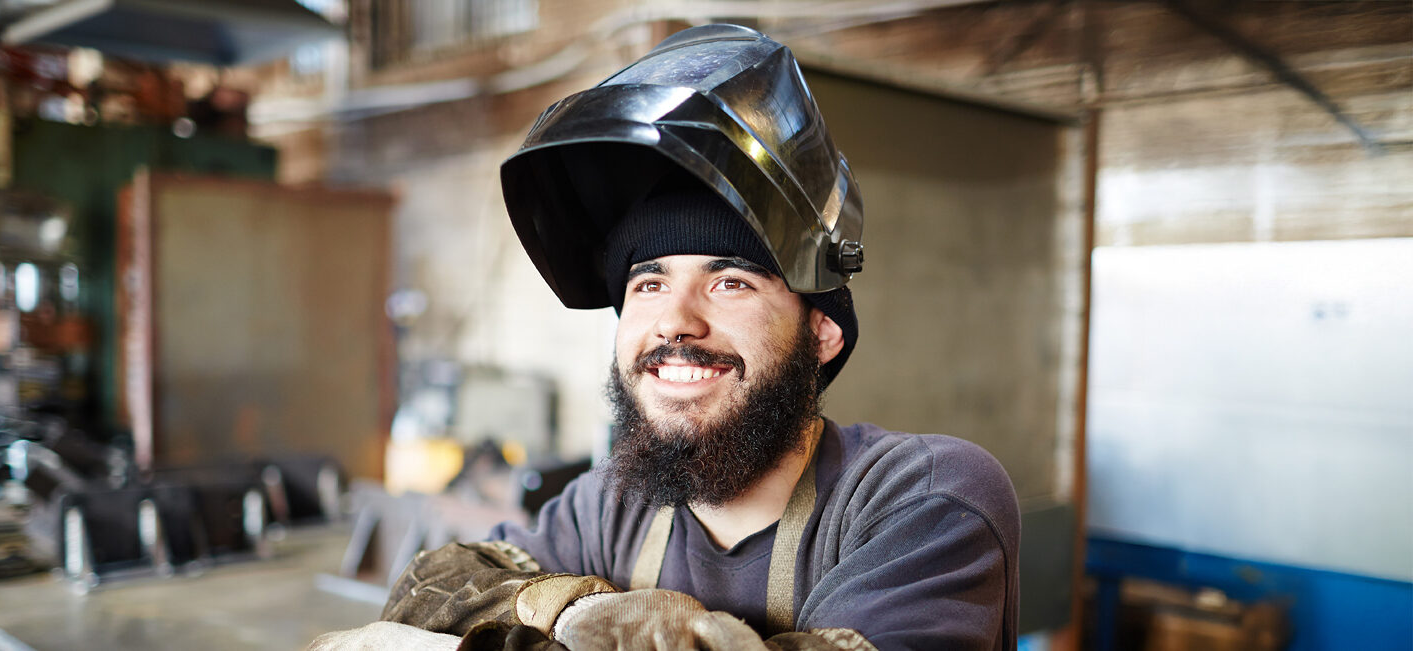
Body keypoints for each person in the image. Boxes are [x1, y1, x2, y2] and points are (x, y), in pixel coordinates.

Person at [311, 24, 1019, 651]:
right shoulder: (612, 506)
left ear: (823, 329)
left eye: (730, 281)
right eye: (648, 282)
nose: (674, 319)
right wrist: (565, 608)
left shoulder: (923, 499)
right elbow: (432, 586)